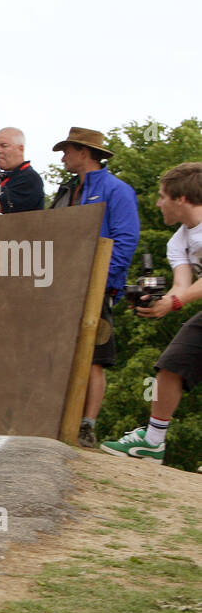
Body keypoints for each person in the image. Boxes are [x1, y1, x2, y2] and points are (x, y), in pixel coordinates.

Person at [100, 162, 202, 463]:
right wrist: (157, 303)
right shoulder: (179, 240)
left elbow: (184, 296)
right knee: (173, 363)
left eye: (162, 196)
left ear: (180, 199)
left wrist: (176, 302)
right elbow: (182, 286)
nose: (157, 203)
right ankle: (153, 441)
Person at [49, 127, 141, 447]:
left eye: (68, 150)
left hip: (96, 287)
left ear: (84, 153)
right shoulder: (70, 190)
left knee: (94, 357)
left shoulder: (117, 190)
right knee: (62, 350)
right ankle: (56, 415)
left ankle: (87, 425)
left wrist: (103, 279)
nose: (63, 157)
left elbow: (126, 239)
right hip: (63, 284)